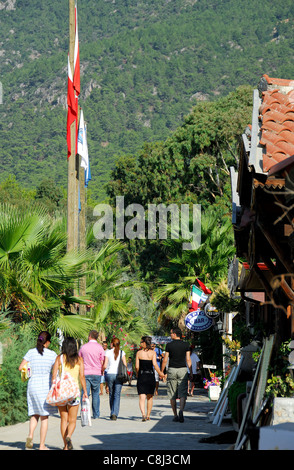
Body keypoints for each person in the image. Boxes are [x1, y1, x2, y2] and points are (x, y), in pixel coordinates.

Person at [18, 331, 57, 450]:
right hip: (45, 387)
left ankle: (30, 435)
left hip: (32, 386)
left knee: (34, 413)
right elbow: (56, 371)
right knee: (44, 417)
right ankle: (42, 445)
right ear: (48, 342)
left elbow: (20, 367)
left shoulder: (31, 352)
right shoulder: (52, 355)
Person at [51, 337, 88, 450]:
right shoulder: (79, 360)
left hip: (62, 392)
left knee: (63, 419)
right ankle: (69, 436)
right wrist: (85, 391)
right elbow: (82, 377)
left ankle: (65, 446)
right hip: (74, 392)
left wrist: (53, 389)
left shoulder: (59, 358)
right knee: (72, 421)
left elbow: (53, 377)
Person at [161, 328, 192, 423]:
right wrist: (190, 371)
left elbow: (165, 359)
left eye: (171, 333)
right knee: (183, 393)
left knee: (172, 393)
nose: (170, 335)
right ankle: (181, 411)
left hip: (172, 370)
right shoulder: (186, 345)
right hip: (183, 369)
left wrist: (162, 371)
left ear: (175, 334)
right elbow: (188, 359)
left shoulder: (169, 345)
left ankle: (175, 415)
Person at [136, 336, 166, 421]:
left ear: (145, 343)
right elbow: (155, 365)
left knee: (142, 397)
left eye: (141, 342)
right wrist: (161, 374)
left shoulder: (139, 353)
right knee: (150, 397)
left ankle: (143, 414)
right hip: (150, 376)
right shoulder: (153, 353)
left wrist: (138, 374)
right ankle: (148, 415)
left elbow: (137, 367)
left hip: (142, 376)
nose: (140, 343)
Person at [79, 330, 105, 419]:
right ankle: (96, 414)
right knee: (95, 394)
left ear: (89, 336)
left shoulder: (83, 347)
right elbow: (102, 361)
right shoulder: (100, 347)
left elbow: (80, 359)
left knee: (84, 394)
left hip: (85, 373)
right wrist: (102, 370)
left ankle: (84, 414)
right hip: (97, 373)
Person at [103, 337, 127, 420]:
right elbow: (125, 364)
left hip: (110, 374)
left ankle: (112, 411)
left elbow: (105, 365)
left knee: (111, 394)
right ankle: (114, 413)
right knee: (117, 395)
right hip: (119, 375)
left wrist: (102, 370)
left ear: (112, 344)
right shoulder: (122, 352)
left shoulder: (108, 352)